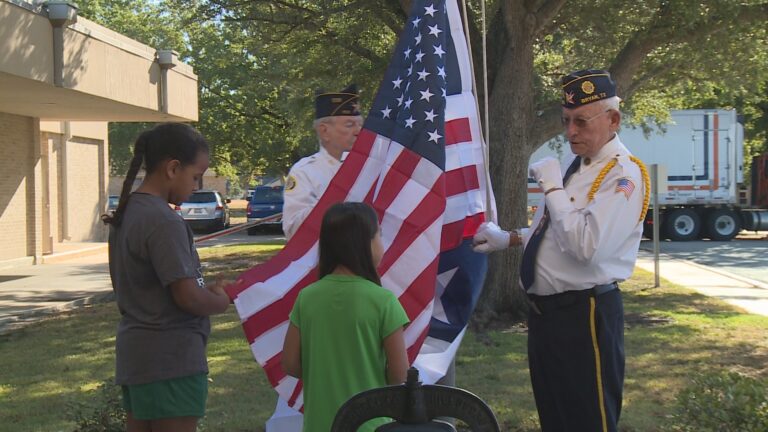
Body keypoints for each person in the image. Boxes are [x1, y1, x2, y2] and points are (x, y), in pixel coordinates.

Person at [472, 69, 649, 432]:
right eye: (567, 121)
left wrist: (552, 187)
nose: (570, 132)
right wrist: (512, 238)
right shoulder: (581, 165)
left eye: (581, 122)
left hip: (584, 314)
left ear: (613, 119)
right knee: (555, 419)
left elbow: (586, 246)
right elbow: (557, 230)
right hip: (546, 316)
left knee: (586, 422)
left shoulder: (623, 174)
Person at [103, 123, 231, 432]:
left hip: (137, 357)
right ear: (173, 168)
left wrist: (204, 290)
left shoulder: (129, 211)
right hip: (171, 359)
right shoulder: (163, 220)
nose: (197, 186)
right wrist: (220, 300)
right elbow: (186, 297)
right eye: (196, 176)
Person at [281, 202, 410, 432]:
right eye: (379, 234)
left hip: (320, 425)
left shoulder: (306, 298)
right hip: (371, 424)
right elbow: (400, 373)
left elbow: (290, 363)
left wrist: (324, 373)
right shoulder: (384, 301)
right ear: (365, 244)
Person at [282, 84, 363, 239]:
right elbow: (293, 230)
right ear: (324, 131)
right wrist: (333, 197)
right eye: (349, 125)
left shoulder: (371, 167)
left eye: (360, 124)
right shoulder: (305, 172)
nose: (358, 131)